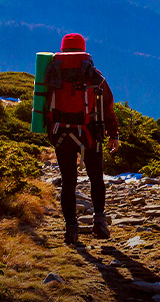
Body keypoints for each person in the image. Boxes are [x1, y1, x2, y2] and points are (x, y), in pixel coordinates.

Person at [46, 33, 119, 245]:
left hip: (61, 134)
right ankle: (99, 221)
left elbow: (42, 103)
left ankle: (71, 229)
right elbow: (107, 106)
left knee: (68, 182)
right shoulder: (92, 73)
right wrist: (113, 134)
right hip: (90, 134)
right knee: (96, 177)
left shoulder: (52, 73)